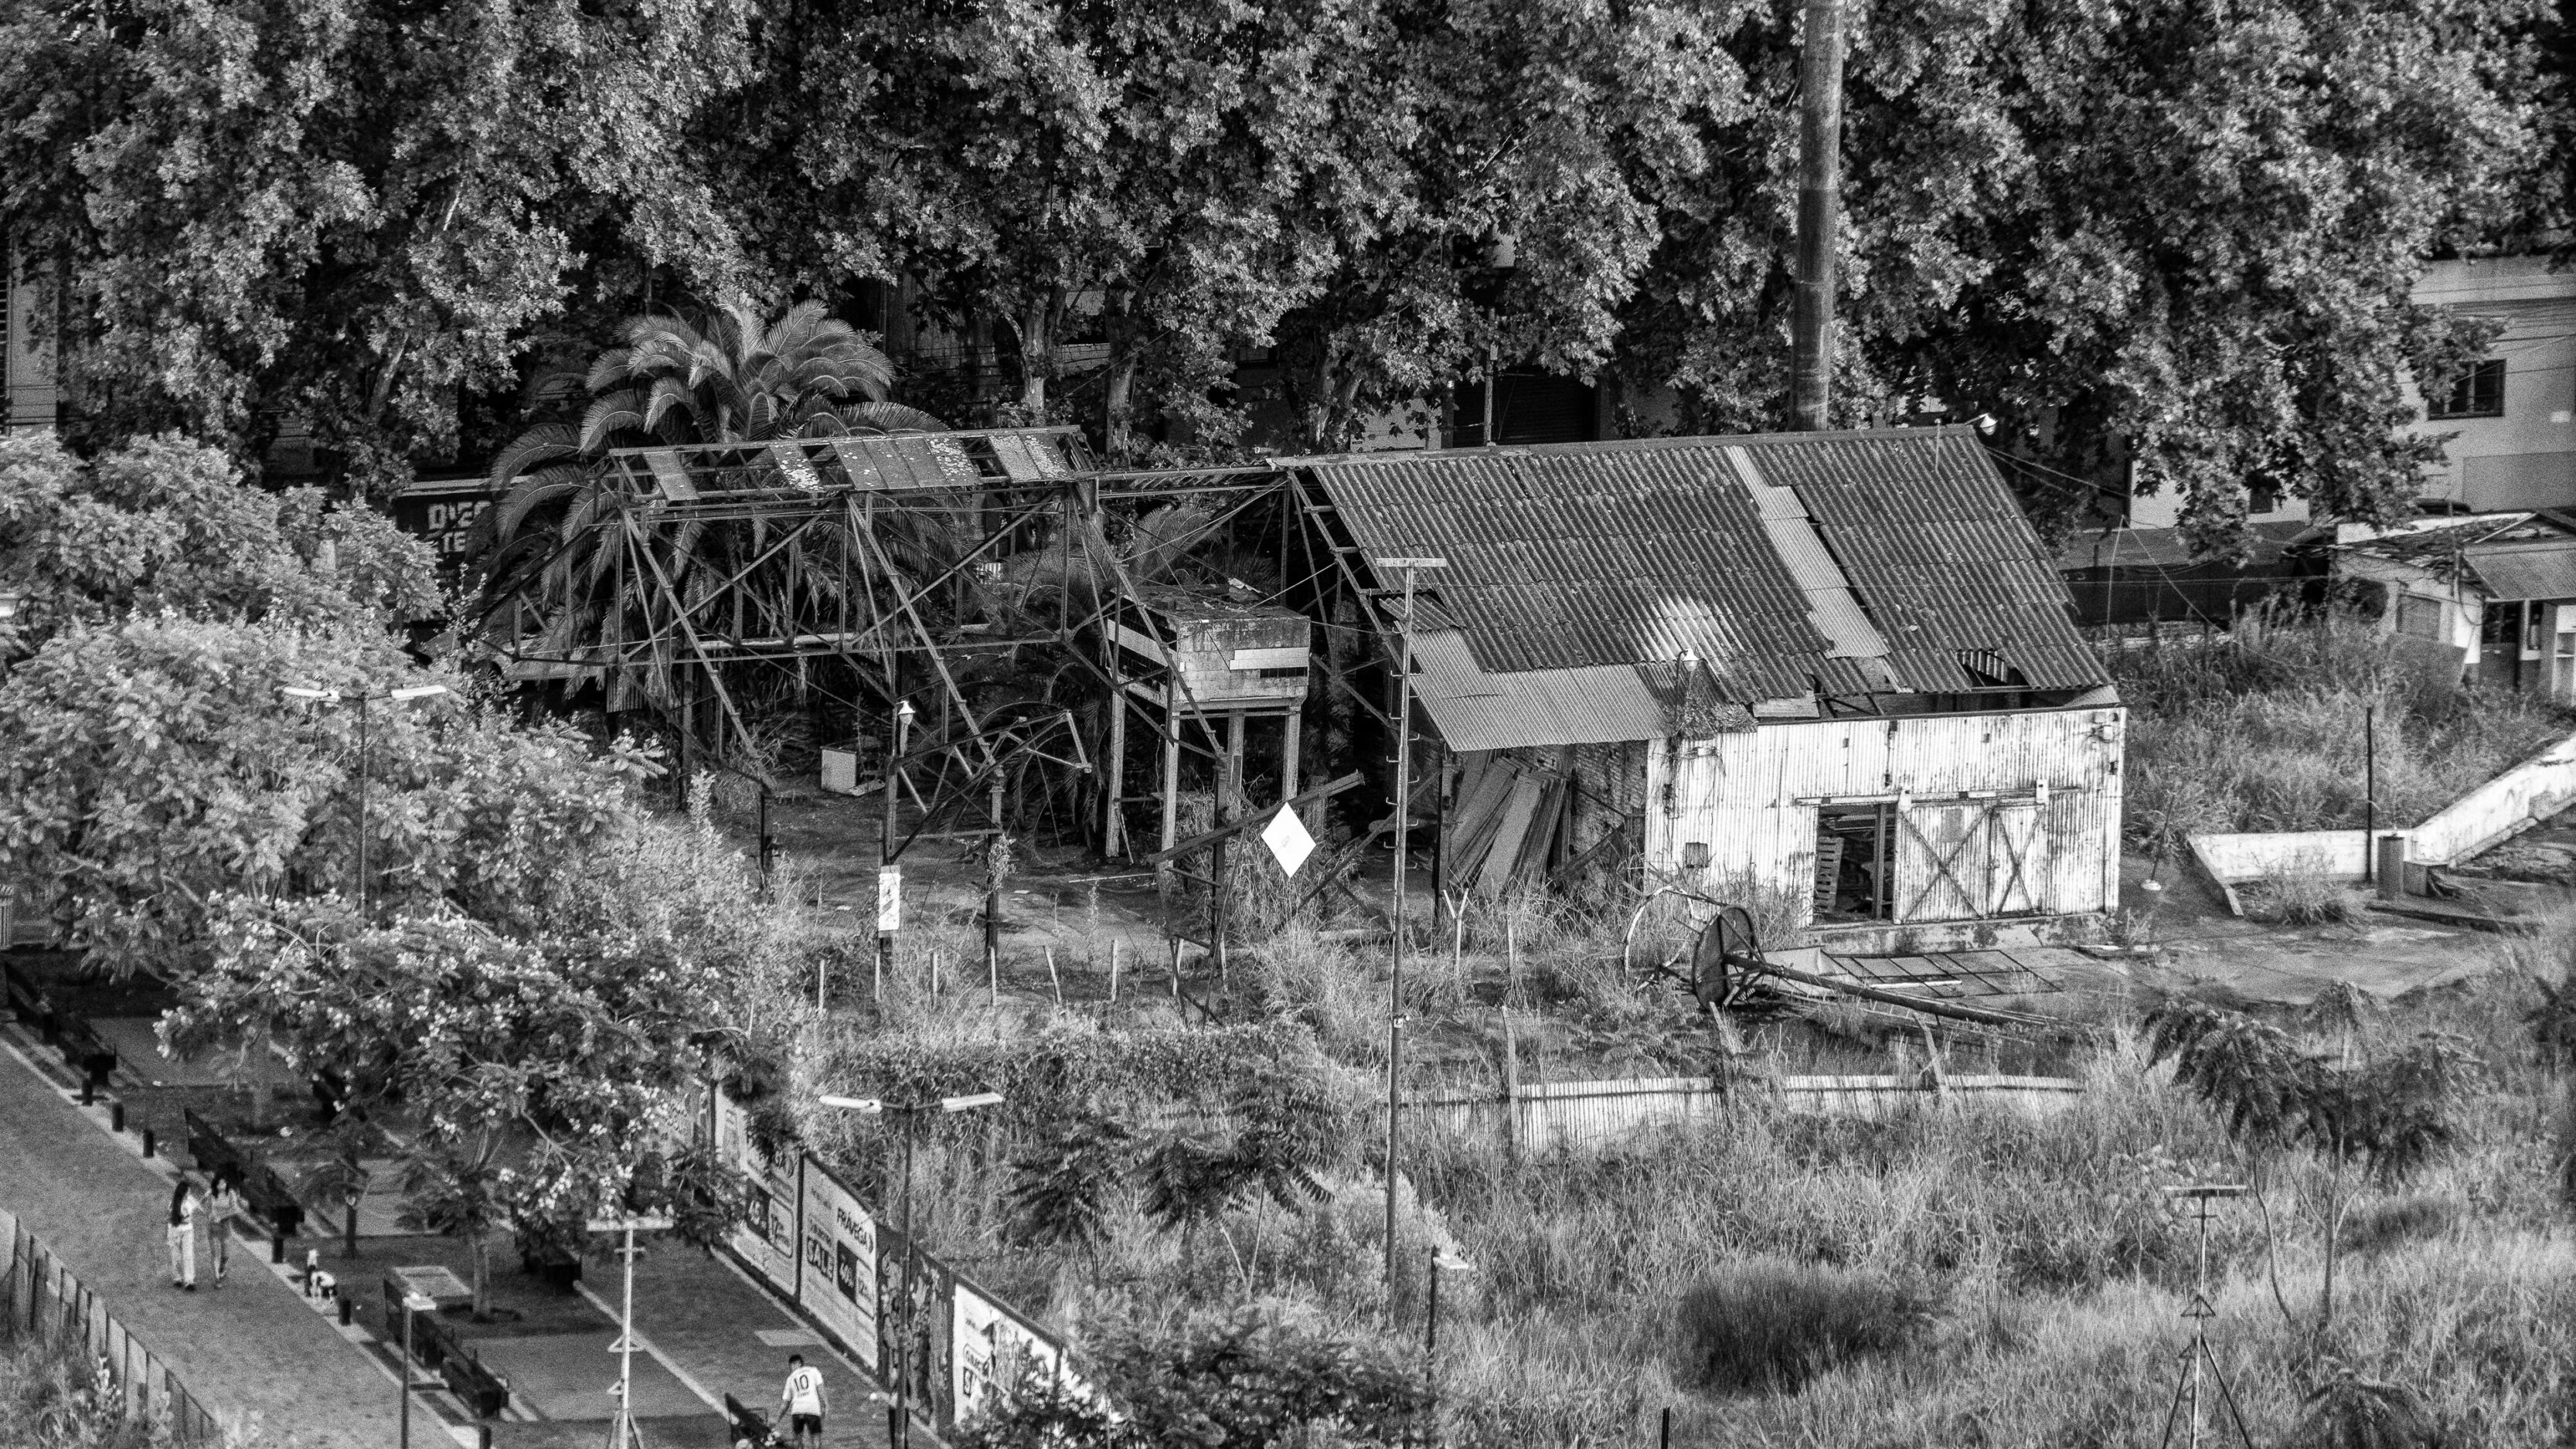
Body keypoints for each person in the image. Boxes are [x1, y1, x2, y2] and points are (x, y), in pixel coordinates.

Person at [777, 1353, 826, 1449]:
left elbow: (785, 1403)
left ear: (797, 1364)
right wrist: (825, 1405)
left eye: (792, 1365)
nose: (792, 1367)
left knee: (797, 1439)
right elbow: (821, 1388)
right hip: (812, 1408)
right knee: (816, 1438)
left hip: (797, 1410)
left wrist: (777, 1419)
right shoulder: (813, 1370)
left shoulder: (790, 1378)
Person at [203, 1173, 241, 1287]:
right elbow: (207, 1208)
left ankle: (222, 1268)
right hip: (213, 1226)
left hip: (225, 1226)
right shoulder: (212, 1194)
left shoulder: (230, 1194)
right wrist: (210, 1216)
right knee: (215, 1254)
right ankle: (217, 1280)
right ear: (216, 1185)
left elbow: (236, 1209)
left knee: (225, 1255)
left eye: (224, 1183)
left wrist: (222, 1217)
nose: (222, 1185)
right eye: (220, 1183)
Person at [165, 1176, 197, 1291]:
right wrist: (181, 1219)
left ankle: (190, 1281)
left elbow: (189, 1219)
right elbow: (172, 1218)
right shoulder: (173, 1204)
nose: (190, 1193)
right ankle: (177, 1278)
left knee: (188, 1256)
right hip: (174, 1232)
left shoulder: (190, 1202)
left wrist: (183, 1219)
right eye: (188, 1191)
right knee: (176, 1256)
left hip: (187, 1231)